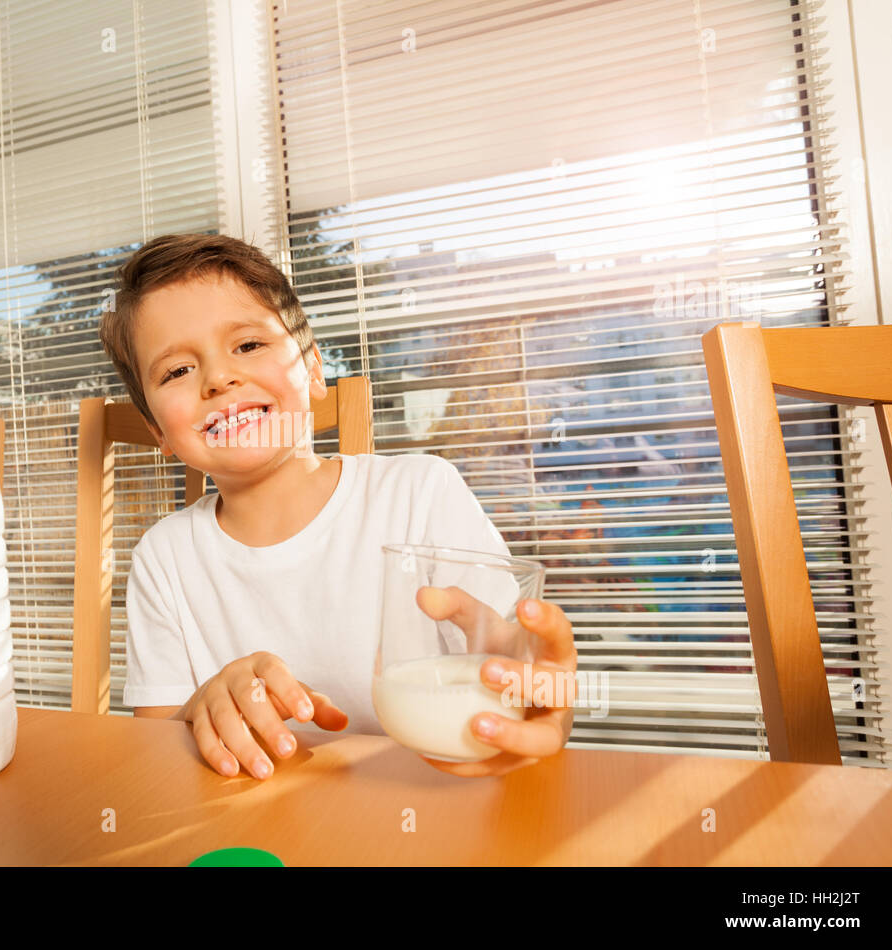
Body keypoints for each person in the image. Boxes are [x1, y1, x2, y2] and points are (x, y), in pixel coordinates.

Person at [98, 233, 577, 781]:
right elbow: (157, 752)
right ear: (160, 431)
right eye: (177, 371)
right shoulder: (165, 557)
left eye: (249, 345)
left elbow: (521, 680)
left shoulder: (420, 494)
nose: (219, 378)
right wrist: (200, 711)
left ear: (313, 369)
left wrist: (542, 701)